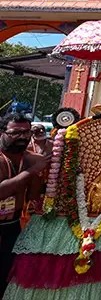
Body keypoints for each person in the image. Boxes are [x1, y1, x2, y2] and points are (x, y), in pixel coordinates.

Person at [0, 113, 51, 298]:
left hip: (13, 226)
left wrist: (43, 141)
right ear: (2, 132)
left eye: (26, 132)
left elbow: (33, 195)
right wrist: (31, 172)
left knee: (6, 275)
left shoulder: (31, 159)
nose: (22, 137)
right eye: (15, 132)